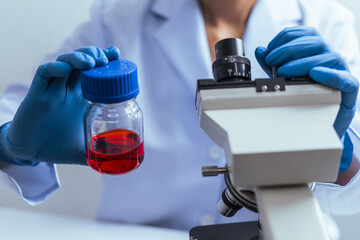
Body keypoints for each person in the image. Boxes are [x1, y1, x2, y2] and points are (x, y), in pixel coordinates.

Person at [0, 0, 359, 232]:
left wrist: (336, 146)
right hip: (143, 232)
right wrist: (12, 142)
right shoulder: (115, 20)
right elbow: (16, 104)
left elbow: (352, 187)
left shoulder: (328, 21)